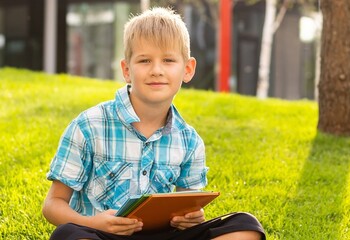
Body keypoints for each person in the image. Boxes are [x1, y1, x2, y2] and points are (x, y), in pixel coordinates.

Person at [42, 7, 265, 240]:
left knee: (246, 225)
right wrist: (92, 223)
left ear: (187, 69)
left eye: (168, 60)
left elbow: (188, 207)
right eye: (144, 60)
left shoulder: (189, 140)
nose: (156, 70)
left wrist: (192, 218)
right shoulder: (89, 126)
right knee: (68, 234)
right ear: (127, 70)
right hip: (102, 235)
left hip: (162, 236)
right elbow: (52, 204)